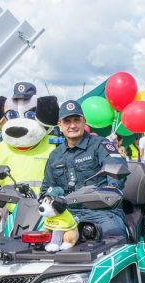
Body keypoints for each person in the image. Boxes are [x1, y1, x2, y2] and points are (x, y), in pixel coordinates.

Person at [41, 100, 128, 237]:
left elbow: (117, 169)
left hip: (101, 212)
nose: (73, 125)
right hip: (65, 214)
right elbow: (47, 189)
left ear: (84, 122)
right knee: (35, 241)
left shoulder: (101, 144)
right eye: (67, 121)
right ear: (60, 125)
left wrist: (113, 187)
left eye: (77, 120)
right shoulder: (55, 156)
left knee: (113, 237)